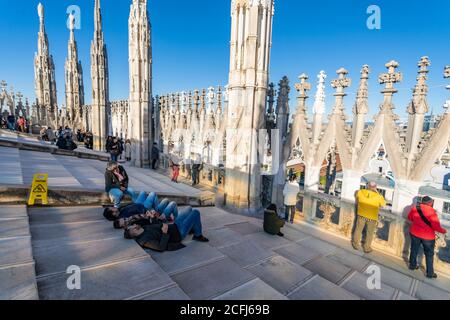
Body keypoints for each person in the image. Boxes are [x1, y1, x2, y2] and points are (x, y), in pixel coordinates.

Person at [124, 207, 209, 252]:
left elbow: (155, 225)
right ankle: (198, 235)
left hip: (174, 225)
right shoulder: (145, 240)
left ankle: (191, 227)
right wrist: (164, 233)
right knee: (195, 212)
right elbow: (161, 247)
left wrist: (153, 217)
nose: (135, 225)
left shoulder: (143, 227)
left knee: (189, 208)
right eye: (133, 227)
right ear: (133, 233)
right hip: (178, 233)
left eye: (133, 225)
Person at [408, 196, 447, 279]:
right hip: (427, 237)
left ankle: (412, 266)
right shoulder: (432, 212)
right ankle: (430, 273)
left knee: (414, 250)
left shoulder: (415, 208)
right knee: (429, 255)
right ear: (430, 203)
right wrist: (444, 231)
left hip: (415, 233)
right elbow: (436, 226)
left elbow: (410, 217)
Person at [352, 181, 386, 253]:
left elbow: (356, 196)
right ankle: (366, 248)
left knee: (358, 229)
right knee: (370, 233)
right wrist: (377, 191)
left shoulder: (360, 192)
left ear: (367, 186)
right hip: (372, 217)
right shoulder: (379, 196)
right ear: (375, 187)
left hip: (361, 215)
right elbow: (383, 204)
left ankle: (355, 244)